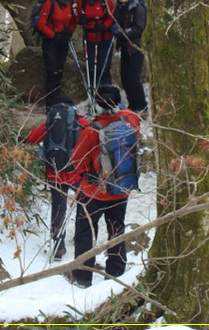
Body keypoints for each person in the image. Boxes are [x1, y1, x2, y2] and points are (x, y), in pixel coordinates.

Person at [68, 85, 141, 288]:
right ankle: (115, 272)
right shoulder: (130, 121)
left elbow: (77, 161)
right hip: (121, 188)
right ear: (118, 102)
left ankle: (83, 277)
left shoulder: (92, 131)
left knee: (85, 233)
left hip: (94, 192)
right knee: (116, 229)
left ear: (97, 105)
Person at [26, 95, 89, 261]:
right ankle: (79, 238)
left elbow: (32, 138)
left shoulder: (51, 122)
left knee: (58, 207)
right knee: (83, 203)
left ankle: (59, 246)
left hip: (54, 172)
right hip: (76, 172)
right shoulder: (80, 123)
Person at [36, 0, 77, 106]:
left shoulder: (70, 1)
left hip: (63, 40)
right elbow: (41, 24)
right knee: (52, 72)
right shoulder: (50, 2)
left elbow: (74, 20)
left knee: (59, 71)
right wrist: (54, 35)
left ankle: (57, 101)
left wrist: (69, 31)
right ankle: (50, 104)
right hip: (50, 41)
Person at [110, 0, 148, 115]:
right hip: (125, 48)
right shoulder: (119, 8)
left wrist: (122, 33)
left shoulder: (137, 7)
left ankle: (142, 106)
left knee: (133, 77)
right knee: (125, 78)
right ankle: (133, 105)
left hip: (135, 47)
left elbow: (139, 28)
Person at [76, 0, 115, 91]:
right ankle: (93, 90)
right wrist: (80, 20)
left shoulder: (106, 1)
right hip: (89, 39)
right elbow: (77, 18)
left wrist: (104, 26)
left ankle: (107, 92)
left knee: (104, 66)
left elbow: (112, 18)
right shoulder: (81, 2)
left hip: (105, 38)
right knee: (92, 66)